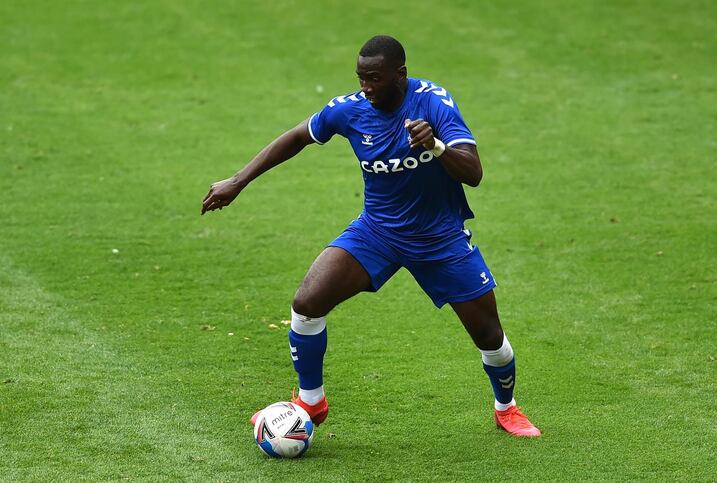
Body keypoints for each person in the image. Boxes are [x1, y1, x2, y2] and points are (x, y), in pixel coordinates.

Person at [201, 35, 540, 437]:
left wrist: (434, 145)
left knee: (489, 335)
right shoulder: (350, 110)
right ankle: (311, 401)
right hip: (377, 231)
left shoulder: (433, 102)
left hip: (440, 239)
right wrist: (237, 181)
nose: (366, 87)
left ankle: (507, 409)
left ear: (401, 74)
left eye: (374, 79)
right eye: (361, 78)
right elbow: (297, 137)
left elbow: (474, 172)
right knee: (307, 303)